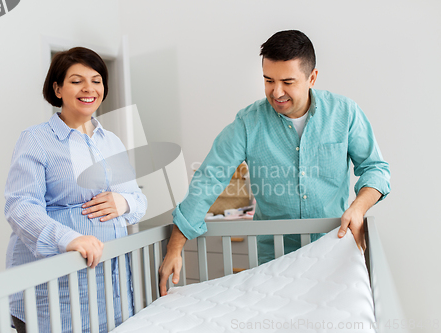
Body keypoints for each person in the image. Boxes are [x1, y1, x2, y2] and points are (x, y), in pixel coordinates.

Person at [158, 30, 390, 295]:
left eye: (288, 82)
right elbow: (209, 178)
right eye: (268, 80)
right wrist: (175, 247)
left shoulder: (345, 113)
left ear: (312, 77)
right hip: (273, 259)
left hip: (333, 250)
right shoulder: (248, 122)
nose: (276, 92)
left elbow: (375, 169)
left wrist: (358, 208)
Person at [4, 47, 147, 332]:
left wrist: (124, 203)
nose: (88, 88)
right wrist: (69, 238)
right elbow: (20, 206)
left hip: (112, 287)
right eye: (76, 80)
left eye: (96, 80)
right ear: (57, 88)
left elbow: (139, 200)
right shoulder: (36, 140)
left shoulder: (112, 142)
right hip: (59, 290)